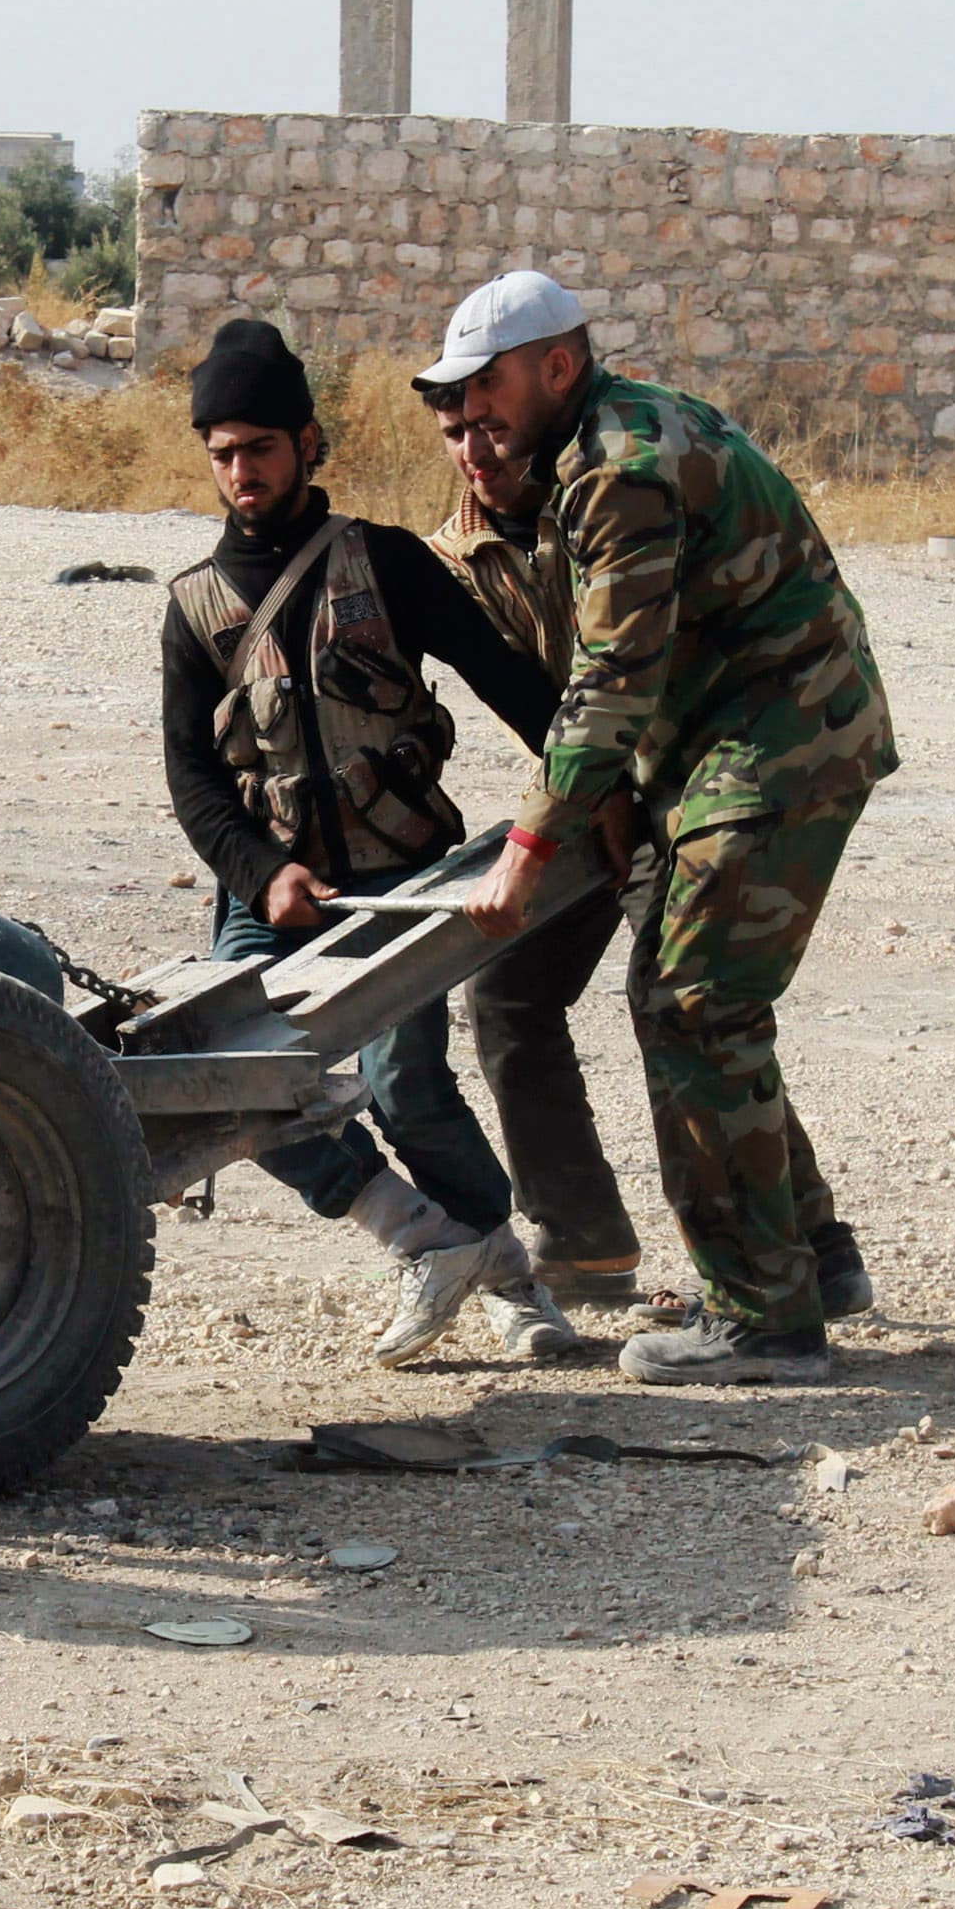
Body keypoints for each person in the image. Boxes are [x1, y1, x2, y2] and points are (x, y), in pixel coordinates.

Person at [424, 270, 895, 1387]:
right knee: (712, 1004)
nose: (471, 420)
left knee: (690, 1003)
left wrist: (536, 843)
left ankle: (761, 1317)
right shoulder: (581, 453)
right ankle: (810, 1259)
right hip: (726, 750)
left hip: (778, 743)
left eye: (489, 387)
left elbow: (614, 673)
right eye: (453, 404)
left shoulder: (619, 466)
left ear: (557, 364)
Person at [160, 317, 575, 1365]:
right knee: (230, 1085)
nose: (242, 471)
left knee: (408, 1085)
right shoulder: (194, 611)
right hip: (274, 896)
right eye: (223, 454)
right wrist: (265, 874)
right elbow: (193, 780)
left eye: (261, 448)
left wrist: (587, 793)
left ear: (310, 445)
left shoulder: (385, 562)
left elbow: (516, 685)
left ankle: (510, 1283)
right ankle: (429, 1237)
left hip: (404, 883)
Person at [420, 406, 647, 1315]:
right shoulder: (452, 559)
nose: (476, 452)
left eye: (492, 427)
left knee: (695, 1009)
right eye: (454, 433)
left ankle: (803, 1251)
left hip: (682, 779)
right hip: (582, 795)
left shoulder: (603, 510)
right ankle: (583, 1237)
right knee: (509, 990)